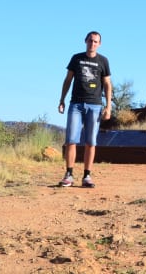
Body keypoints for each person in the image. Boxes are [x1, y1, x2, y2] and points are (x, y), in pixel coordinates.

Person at [58, 30, 112, 188]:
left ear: (99, 44)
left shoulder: (103, 61)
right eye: (90, 40)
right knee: (71, 140)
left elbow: (107, 84)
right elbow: (68, 80)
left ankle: (87, 176)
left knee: (91, 142)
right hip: (76, 104)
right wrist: (62, 100)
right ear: (85, 41)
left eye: (95, 41)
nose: (92, 44)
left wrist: (108, 107)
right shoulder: (77, 58)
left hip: (95, 105)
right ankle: (69, 175)